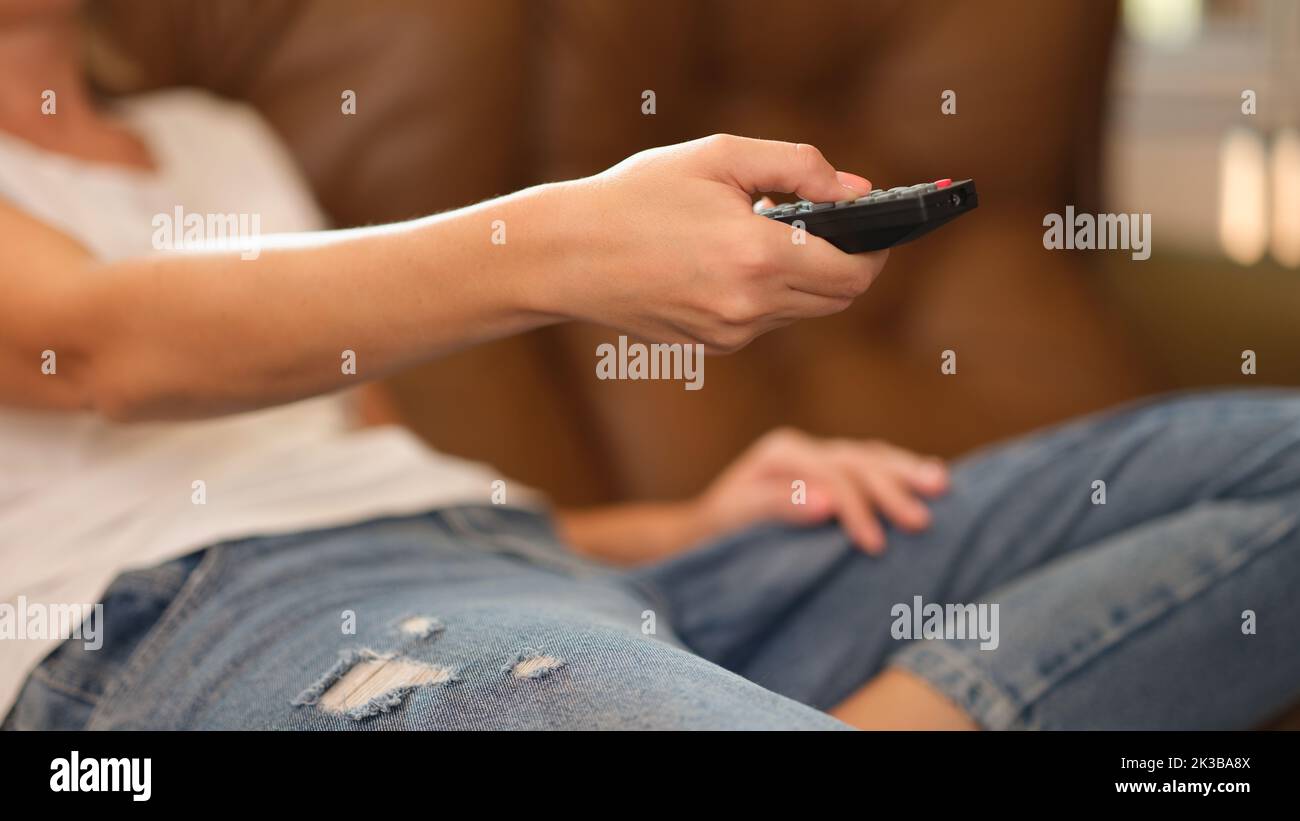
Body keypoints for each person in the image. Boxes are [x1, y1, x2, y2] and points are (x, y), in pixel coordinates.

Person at [3, 1, 1299, 730]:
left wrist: (697, 517)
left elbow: (368, 473)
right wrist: (561, 242)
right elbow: (96, 343)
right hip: (206, 620)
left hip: (547, 571)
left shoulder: (218, 139)